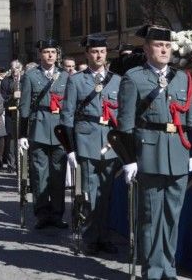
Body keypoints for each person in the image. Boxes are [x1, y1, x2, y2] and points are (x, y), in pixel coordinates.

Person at [117, 25, 192, 280]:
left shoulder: (182, 77)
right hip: (149, 154)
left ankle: (168, 268)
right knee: (151, 217)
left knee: (173, 216)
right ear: (146, 49)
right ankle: (152, 271)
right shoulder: (134, 77)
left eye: (167, 46)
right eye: (158, 45)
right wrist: (129, 160)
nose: (164, 49)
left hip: (177, 152)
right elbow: (126, 124)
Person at [60, 34, 121, 256]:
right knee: (88, 193)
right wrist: (70, 148)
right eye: (94, 51)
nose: (99, 55)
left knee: (106, 193)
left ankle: (103, 236)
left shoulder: (117, 80)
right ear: (87, 54)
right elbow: (67, 116)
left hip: (110, 143)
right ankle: (89, 237)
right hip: (86, 140)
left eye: (102, 51)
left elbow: (121, 114)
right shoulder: (77, 80)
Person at [18, 39, 69, 229]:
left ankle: (57, 214)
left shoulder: (65, 76)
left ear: (57, 55)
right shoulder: (31, 76)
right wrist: (22, 134)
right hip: (38, 128)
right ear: (40, 54)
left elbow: (69, 107)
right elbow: (24, 107)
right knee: (39, 175)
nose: (49, 55)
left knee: (58, 174)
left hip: (59, 131)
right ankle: (41, 213)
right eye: (46, 52)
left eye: (53, 52)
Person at [0, 60, 23, 172]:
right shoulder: (5, 81)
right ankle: (11, 164)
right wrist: (12, 97)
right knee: (11, 140)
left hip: (22, 114)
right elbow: (2, 99)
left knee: (21, 138)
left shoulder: (24, 80)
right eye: (14, 68)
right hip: (11, 113)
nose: (15, 70)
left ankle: (22, 164)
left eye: (18, 68)